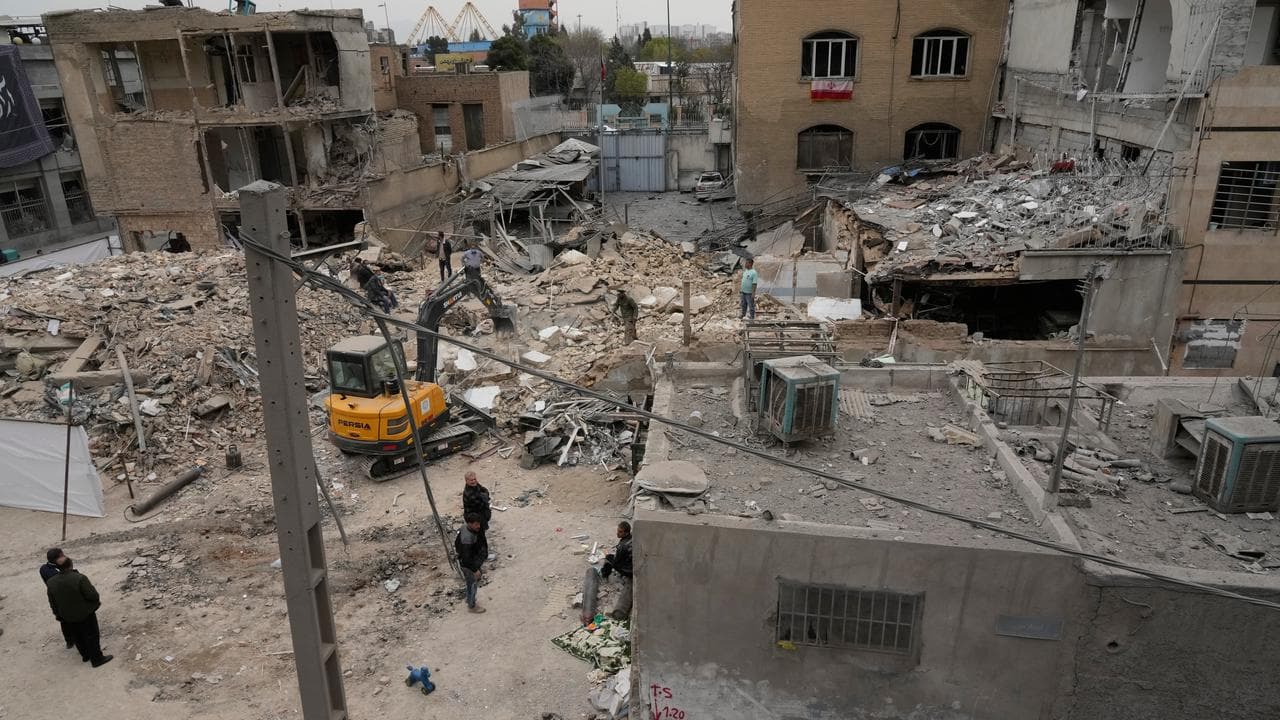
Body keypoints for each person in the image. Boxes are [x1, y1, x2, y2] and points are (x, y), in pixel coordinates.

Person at [45, 555, 112, 667]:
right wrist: (95, 604)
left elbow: (52, 602)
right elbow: (92, 595)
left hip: (67, 616)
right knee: (91, 635)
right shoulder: (79, 578)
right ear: (71, 565)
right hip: (85, 613)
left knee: (77, 636)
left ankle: (85, 655)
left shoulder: (51, 582)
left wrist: (58, 614)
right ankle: (97, 659)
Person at [39, 548, 76, 650]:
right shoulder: (57, 572)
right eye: (62, 555)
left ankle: (69, 641)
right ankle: (74, 639)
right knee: (70, 618)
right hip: (62, 597)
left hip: (54, 597)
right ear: (57, 559)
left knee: (63, 619)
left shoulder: (43, 568)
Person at [455, 513, 488, 613]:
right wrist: (474, 570)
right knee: (472, 584)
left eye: (479, 523)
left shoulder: (468, 529)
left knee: (471, 583)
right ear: (469, 524)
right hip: (468, 565)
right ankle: (472, 606)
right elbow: (466, 558)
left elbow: (456, 544)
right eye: (476, 524)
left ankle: (469, 599)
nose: (478, 526)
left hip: (473, 560)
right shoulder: (467, 539)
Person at [600, 521, 634, 620]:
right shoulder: (631, 538)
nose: (617, 534)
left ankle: (605, 575)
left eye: (620, 532)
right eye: (617, 531)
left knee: (608, 558)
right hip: (631, 564)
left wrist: (609, 558)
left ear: (626, 533)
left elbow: (616, 561)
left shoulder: (622, 546)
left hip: (628, 570)